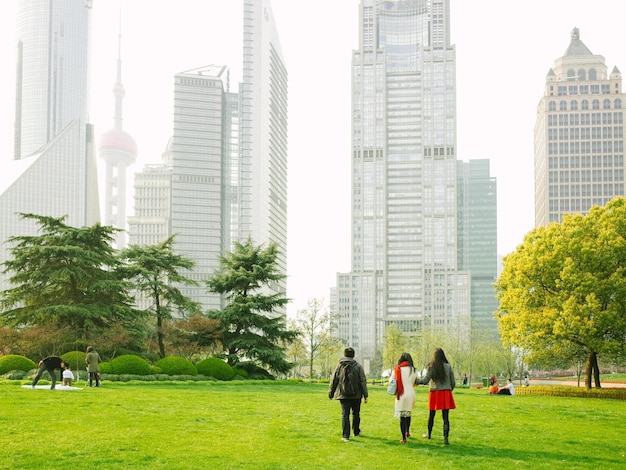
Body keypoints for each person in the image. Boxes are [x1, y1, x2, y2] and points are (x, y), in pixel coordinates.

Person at [328, 347, 369, 442]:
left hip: (343, 394)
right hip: (356, 394)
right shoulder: (358, 366)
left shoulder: (339, 366)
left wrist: (331, 392)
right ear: (353, 355)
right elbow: (363, 381)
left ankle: (345, 435)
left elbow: (334, 380)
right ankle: (356, 431)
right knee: (356, 413)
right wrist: (365, 395)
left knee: (345, 414)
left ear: (344, 355)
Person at [417, 348, 456, 445]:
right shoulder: (448, 367)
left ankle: (429, 434)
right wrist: (448, 389)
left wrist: (415, 380)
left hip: (435, 392)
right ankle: (445, 438)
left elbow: (425, 380)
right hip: (446, 392)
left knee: (431, 415)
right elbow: (453, 382)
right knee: (445, 417)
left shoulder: (431, 367)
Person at [392, 352, 419, 443]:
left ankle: (403, 437)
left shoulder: (397, 369)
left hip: (401, 394)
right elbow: (416, 382)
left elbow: (392, 381)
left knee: (402, 417)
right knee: (408, 414)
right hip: (411, 393)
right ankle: (407, 431)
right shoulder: (414, 370)